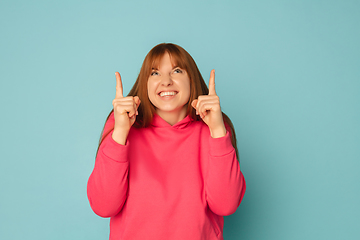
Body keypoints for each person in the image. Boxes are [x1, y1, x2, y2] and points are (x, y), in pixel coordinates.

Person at [87, 43, 246, 240]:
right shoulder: (123, 127)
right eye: (154, 73)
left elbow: (226, 205)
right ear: (145, 82)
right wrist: (119, 133)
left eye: (177, 71)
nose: (166, 81)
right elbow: (104, 206)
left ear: (192, 79)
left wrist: (218, 131)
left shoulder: (213, 129)